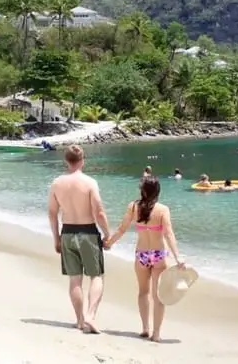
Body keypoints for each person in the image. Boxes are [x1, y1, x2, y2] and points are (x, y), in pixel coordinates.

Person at [104, 176, 185, 343]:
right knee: (158, 296)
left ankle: (145, 329)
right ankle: (156, 334)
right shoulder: (163, 210)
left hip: (141, 254)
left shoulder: (133, 207)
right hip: (158, 255)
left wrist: (109, 243)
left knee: (143, 292)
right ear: (158, 192)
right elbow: (169, 234)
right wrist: (178, 257)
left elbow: (122, 229)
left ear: (142, 191)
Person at [48, 145, 111, 334]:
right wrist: (107, 234)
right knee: (96, 276)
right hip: (88, 233)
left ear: (66, 161)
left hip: (67, 232)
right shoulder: (90, 183)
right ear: (82, 160)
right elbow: (98, 212)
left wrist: (56, 238)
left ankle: (79, 320)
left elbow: (52, 213)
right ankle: (91, 315)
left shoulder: (57, 183)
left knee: (75, 280)